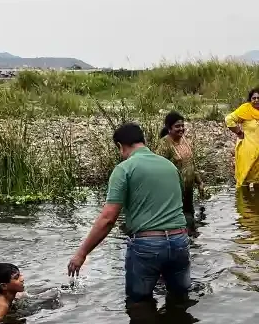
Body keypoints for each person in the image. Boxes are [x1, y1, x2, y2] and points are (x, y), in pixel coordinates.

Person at [67, 123, 191, 305]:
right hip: (180, 240)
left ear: (120, 146)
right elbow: (179, 203)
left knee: (139, 304)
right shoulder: (170, 166)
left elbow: (108, 218)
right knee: (180, 301)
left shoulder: (124, 169)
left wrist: (82, 253)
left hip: (147, 245)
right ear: (144, 141)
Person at [156, 111, 205, 218]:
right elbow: (157, 169)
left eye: (183, 126)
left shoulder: (184, 140)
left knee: (189, 216)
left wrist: (199, 182)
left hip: (188, 189)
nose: (181, 129)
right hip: (174, 192)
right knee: (178, 218)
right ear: (169, 128)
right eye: (177, 126)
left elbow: (192, 163)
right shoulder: (164, 144)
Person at [225, 88, 259, 187]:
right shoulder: (245, 110)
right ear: (250, 99)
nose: (256, 100)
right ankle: (243, 202)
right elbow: (228, 120)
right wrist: (238, 132)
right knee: (245, 182)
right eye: (254, 98)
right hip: (247, 152)